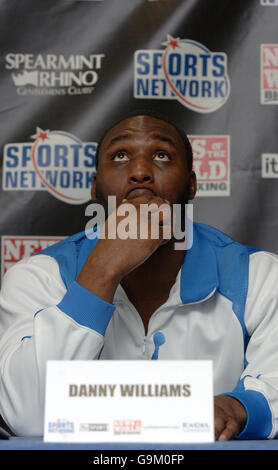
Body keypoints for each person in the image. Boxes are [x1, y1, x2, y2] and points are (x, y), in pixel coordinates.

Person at [0, 110, 278, 440]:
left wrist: (237, 408)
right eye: (120, 156)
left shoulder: (260, 276)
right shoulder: (38, 279)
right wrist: (101, 271)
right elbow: (27, 415)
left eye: (161, 155)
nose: (141, 172)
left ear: (191, 184)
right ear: (95, 186)